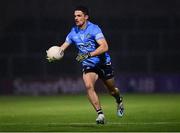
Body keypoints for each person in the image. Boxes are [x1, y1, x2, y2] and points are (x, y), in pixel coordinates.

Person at [48, 6, 124, 124]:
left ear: (86, 17)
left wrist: (88, 54)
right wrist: (55, 55)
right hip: (88, 65)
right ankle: (100, 114)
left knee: (112, 90)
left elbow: (104, 47)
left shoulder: (94, 29)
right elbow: (63, 47)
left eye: (79, 16)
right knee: (89, 86)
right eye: (75, 16)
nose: (76, 18)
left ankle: (119, 100)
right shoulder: (73, 32)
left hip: (103, 63)